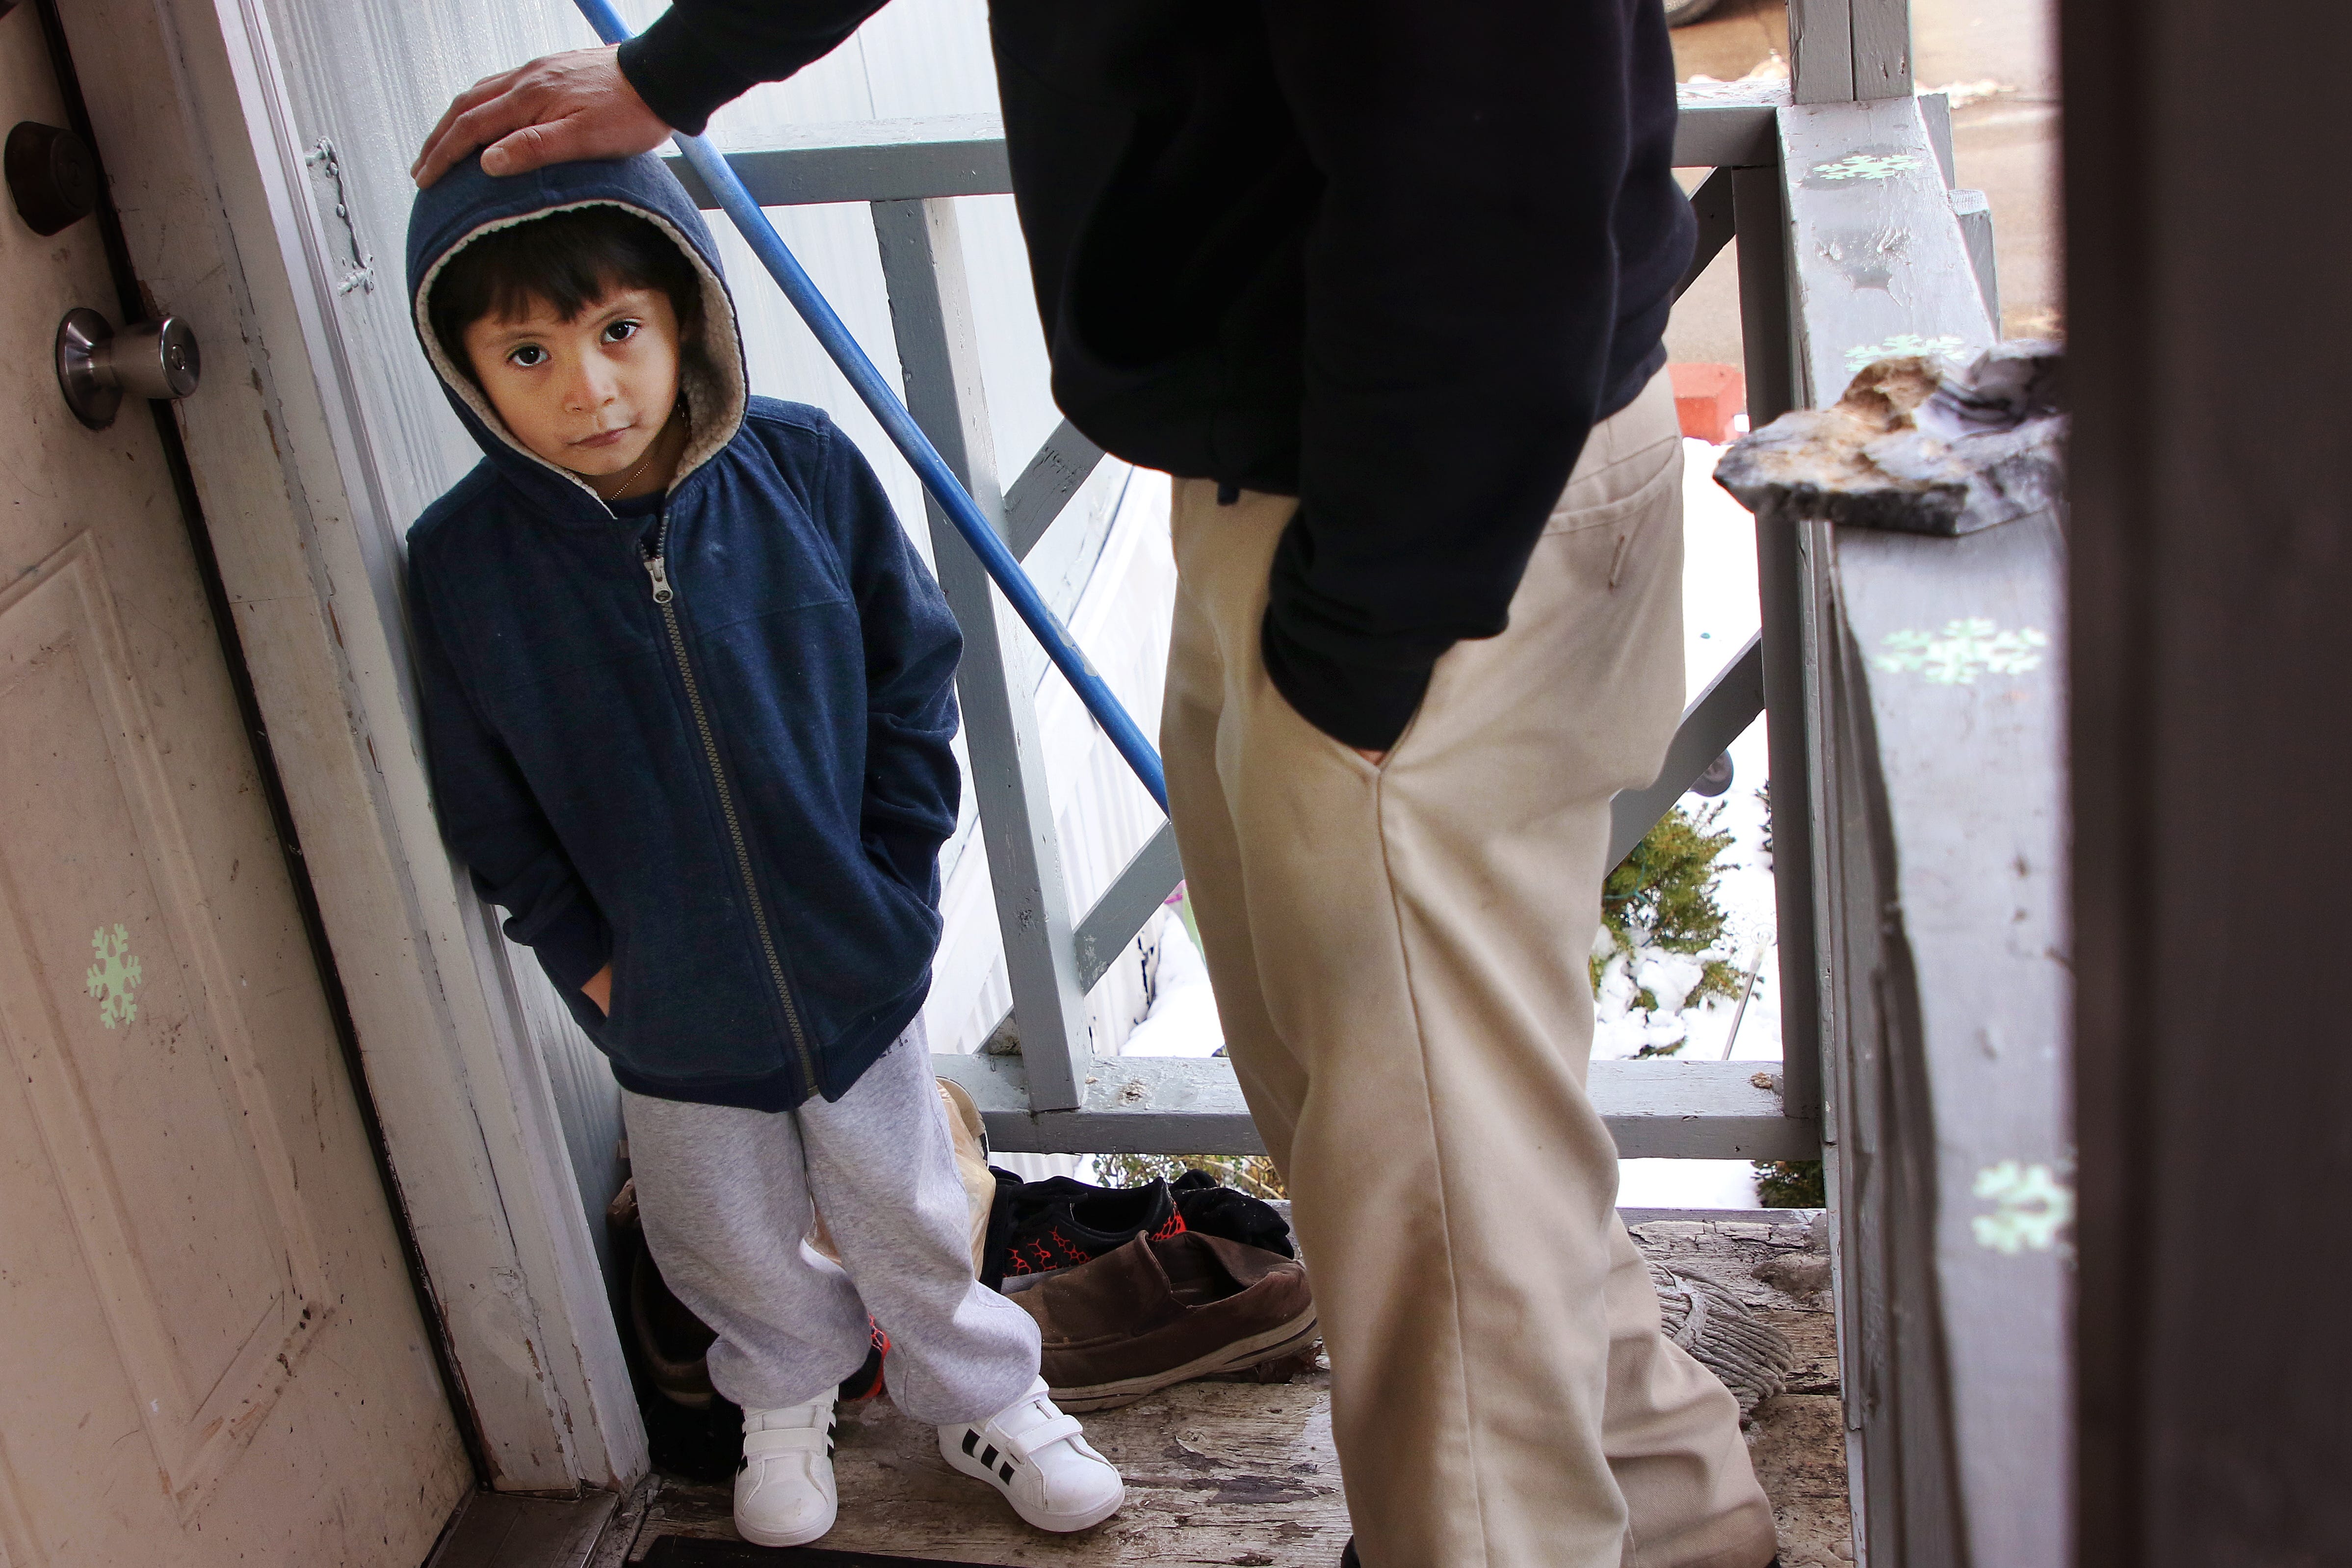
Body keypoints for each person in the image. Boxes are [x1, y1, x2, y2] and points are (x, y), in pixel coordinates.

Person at [414, 7, 1782, 1566]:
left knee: (1425, 1189)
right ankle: (1669, 1519)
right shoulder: (480, 565)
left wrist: (1365, 628)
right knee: (1441, 1128)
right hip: (1319, 487)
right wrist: (676, 74)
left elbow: (1497, 181)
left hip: (1410, 515)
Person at [401, 149, 1127, 1549]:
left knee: (906, 1200)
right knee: (718, 1228)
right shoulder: (465, 560)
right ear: (467, 368)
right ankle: (782, 1398)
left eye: (617, 332)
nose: (589, 387)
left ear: (685, 315)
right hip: (665, 1003)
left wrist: (897, 878)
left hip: (851, 960)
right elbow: (485, 795)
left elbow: (913, 675)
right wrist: (588, 955)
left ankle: (978, 1391)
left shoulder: (799, 467)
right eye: (530, 351)